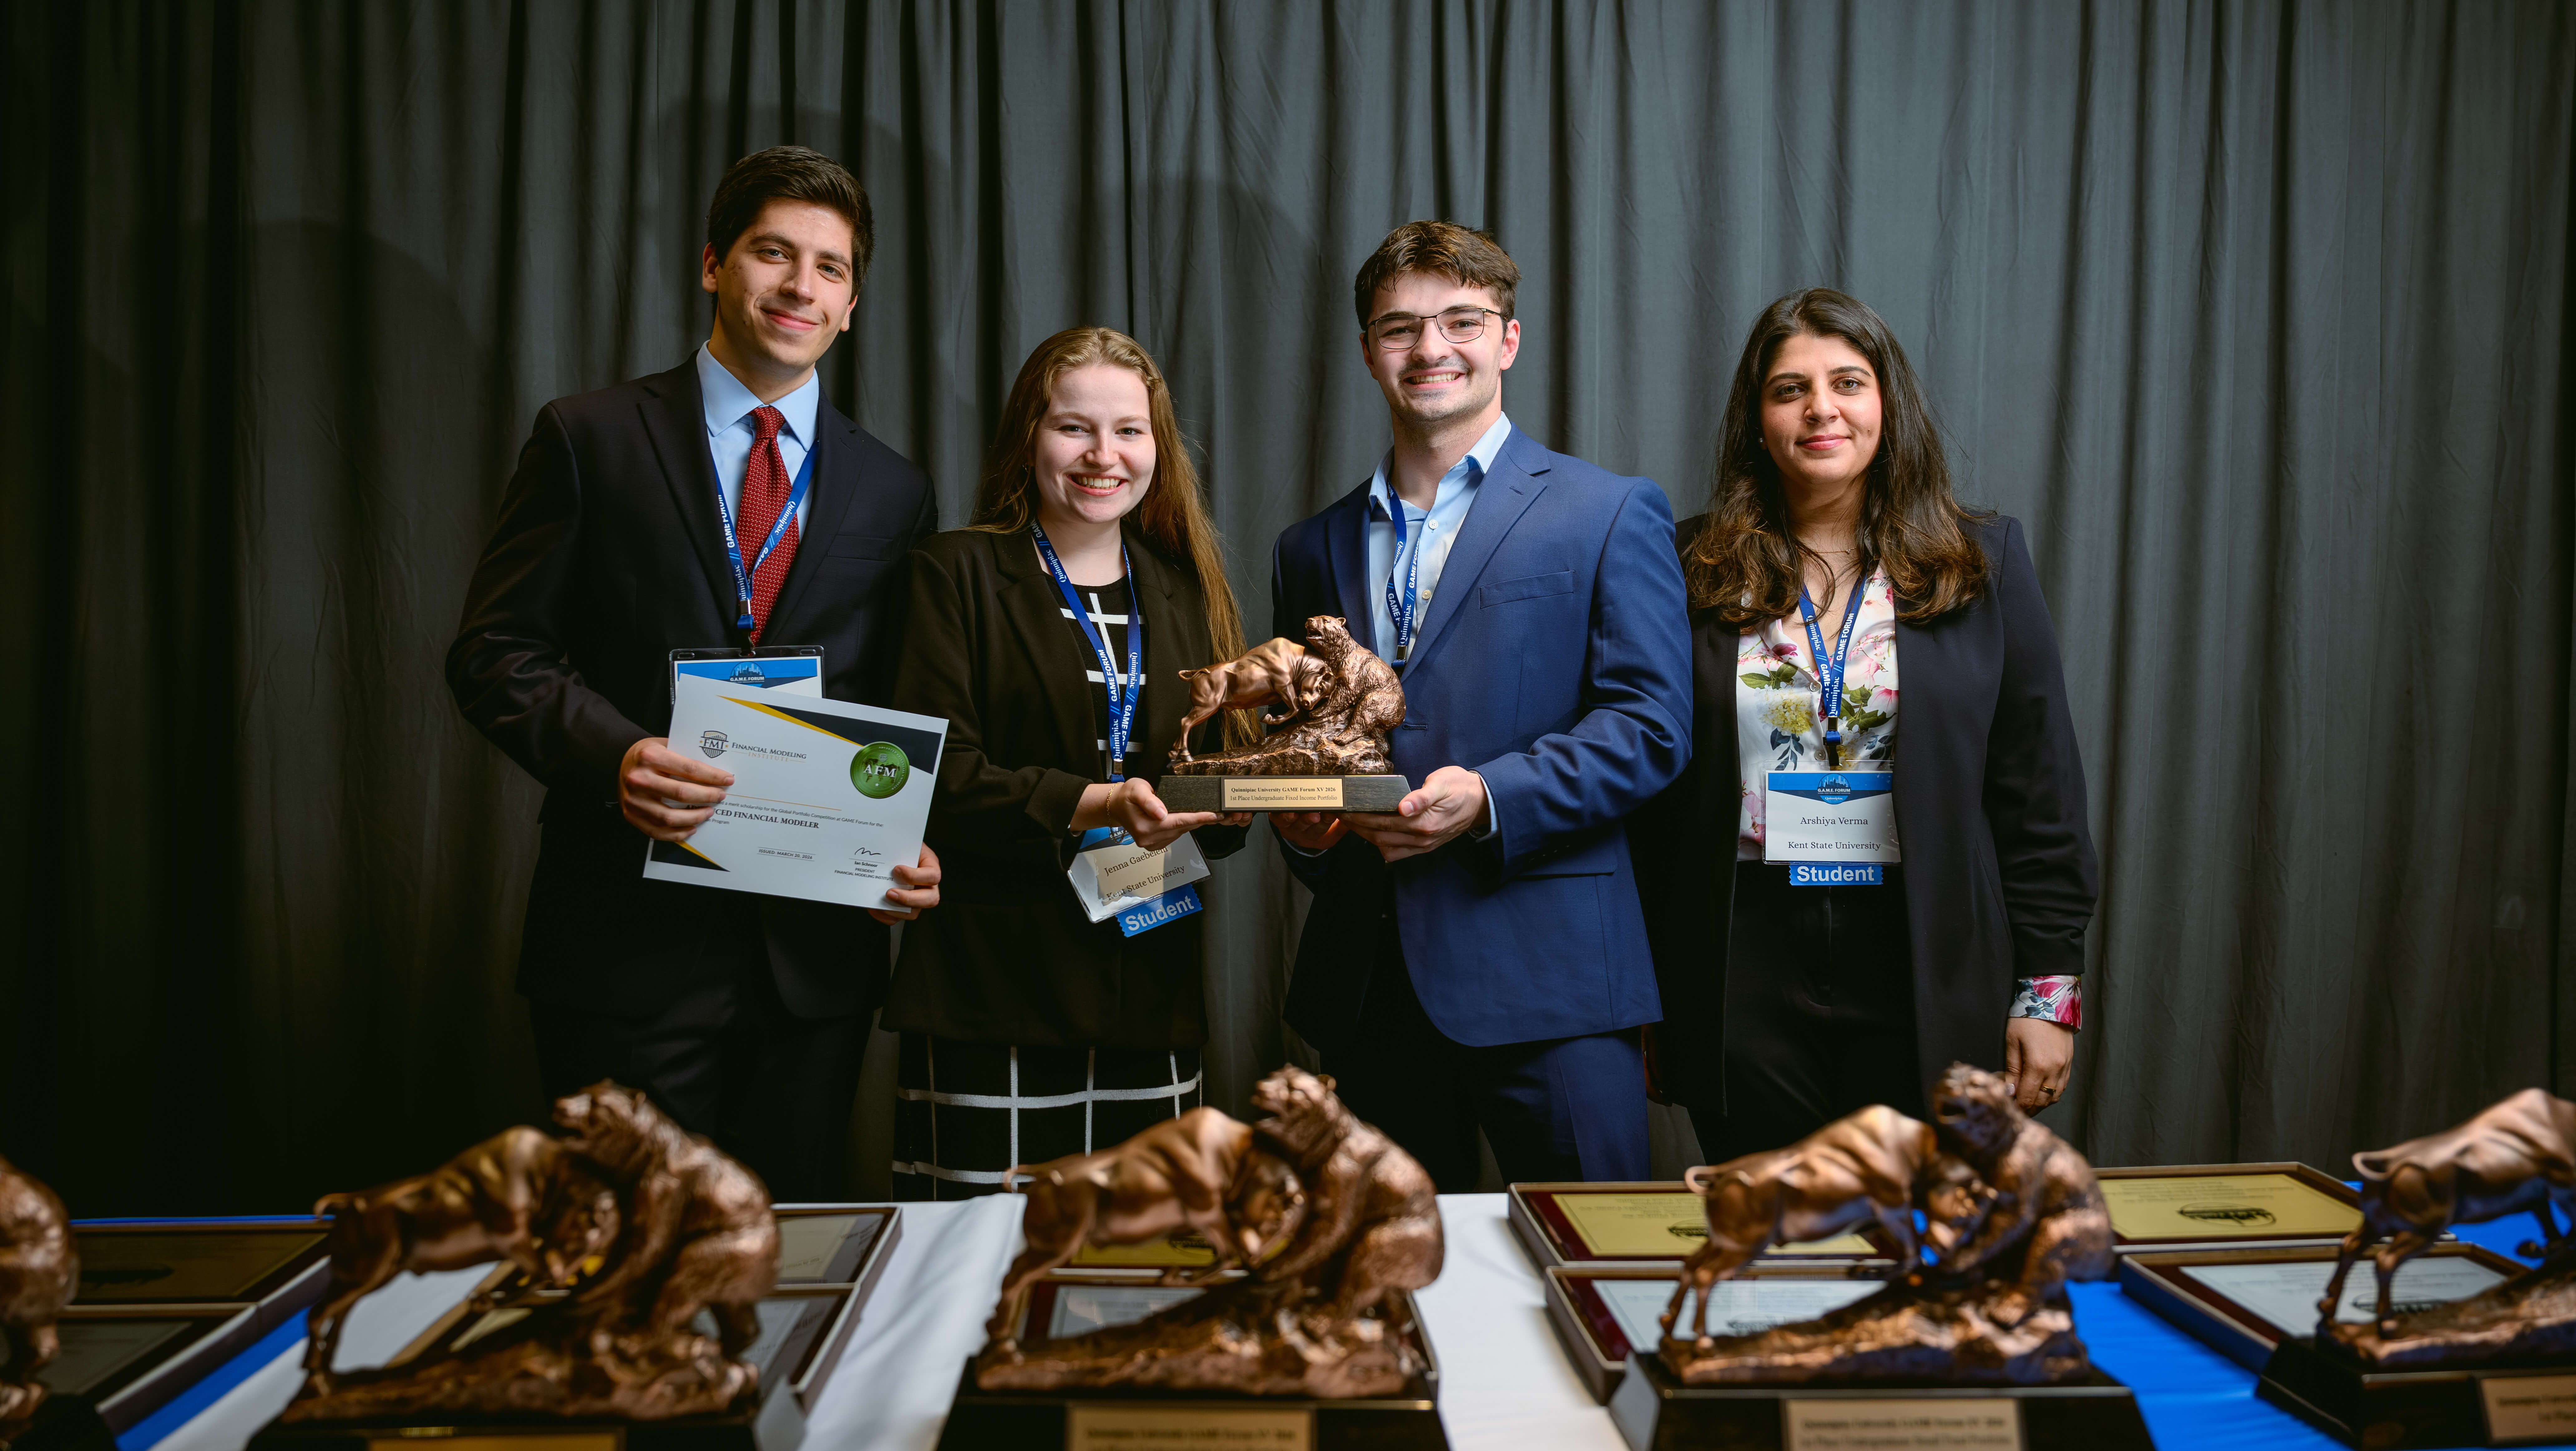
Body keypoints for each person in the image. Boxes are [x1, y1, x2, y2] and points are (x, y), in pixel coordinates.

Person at [446, 146, 940, 1200]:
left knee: (785, 1260)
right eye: (774, 253)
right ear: (715, 263)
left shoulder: (893, 488)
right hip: (623, 946)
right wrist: (614, 752)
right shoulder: (588, 437)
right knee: (630, 1270)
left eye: (831, 268)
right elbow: (494, 652)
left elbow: (901, 701)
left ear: (853, 304)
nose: (801, 286)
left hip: (814, 957)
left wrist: (909, 838)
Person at [1266, 222, 1693, 1190]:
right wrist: (1308, 828)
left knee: (1594, 1273)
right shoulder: (1309, 547)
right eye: (1400, 328)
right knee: (1393, 1289)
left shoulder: (1608, 510)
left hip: (1555, 982)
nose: (1431, 350)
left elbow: (1652, 723)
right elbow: (1303, 739)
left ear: (1507, 339)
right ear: (1368, 350)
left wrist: (1492, 798)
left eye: (1461, 321)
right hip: (1370, 985)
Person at [1635, 287, 2096, 1163]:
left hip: (1929, 954)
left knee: (1922, 1241)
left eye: (1848, 382)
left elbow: (2040, 794)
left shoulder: (1982, 563)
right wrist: (1648, 998)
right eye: (1790, 389)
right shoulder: (1684, 565)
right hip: (1742, 961)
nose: (1822, 409)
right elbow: (1648, 809)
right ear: (1758, 420)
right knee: (1775, 1229)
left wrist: (2048, 999)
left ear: (1888, 404)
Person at [883, 327, 1256, 1199]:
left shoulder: (1186, 588)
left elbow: (1205, 794)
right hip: (991, 991)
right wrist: (1100, 802)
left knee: (1141, 1267)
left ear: (1156, 448)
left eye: (1129, 431)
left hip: (1149, 990)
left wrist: (1233, 807)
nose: (1104, 455)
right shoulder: (955, 572)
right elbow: (933, 775)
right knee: (978, 1274)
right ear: (1029, 436)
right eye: (1073, 427)